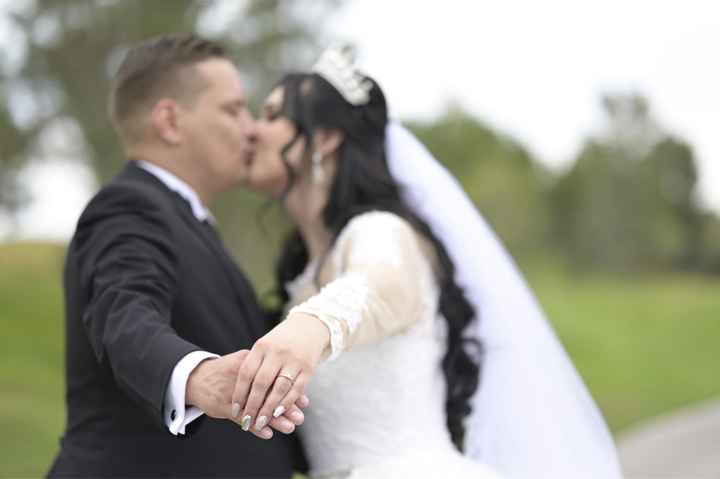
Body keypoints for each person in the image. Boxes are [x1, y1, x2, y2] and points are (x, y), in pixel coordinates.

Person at [231, 46, 623, 478]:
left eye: (270, 116)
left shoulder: (380, 232)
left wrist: (310, 328)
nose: (251, 130)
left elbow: (379, 286)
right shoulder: (304, 268)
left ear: (324, 137)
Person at [47, 34, 307, 478]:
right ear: (169, 121)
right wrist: (197, 376)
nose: (250, 128)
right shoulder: (127, 208)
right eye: (232, 109)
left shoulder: (191, 222)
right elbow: (123, 315)